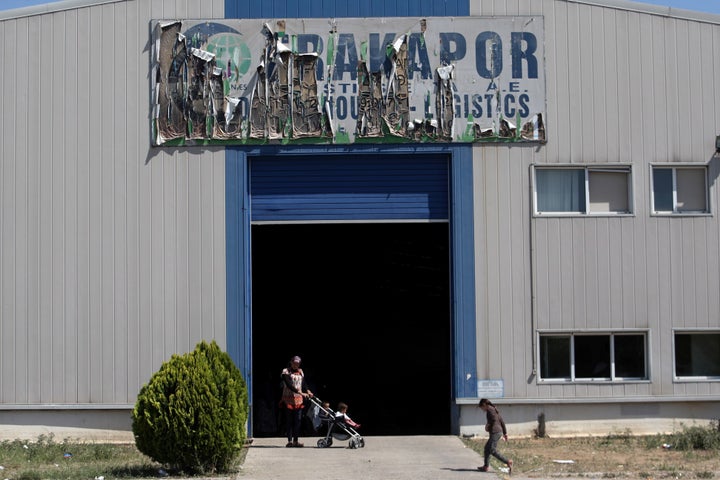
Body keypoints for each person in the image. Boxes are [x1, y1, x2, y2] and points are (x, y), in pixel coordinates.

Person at [280, 355, 313, 447]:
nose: (296, 365)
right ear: (291, 362)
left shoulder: (300, 372)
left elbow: (303, 383)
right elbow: (289, 385)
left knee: (298, 420)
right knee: (289, 420)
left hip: (299, 400)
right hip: (288, 399)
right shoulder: (285, 372)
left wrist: (308, 391)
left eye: (297, 363)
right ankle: (289, 441)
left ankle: (296, 440)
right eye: (294, 363)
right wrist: (301, 393)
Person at [477, 398, 512, 474]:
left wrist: (488, 426)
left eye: (482, 408)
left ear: (484, 405)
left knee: (492, 450)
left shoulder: (490, 410)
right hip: (498, 432)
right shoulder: (494, 409)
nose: (482, 410)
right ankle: (486, 466)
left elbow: (493, 420)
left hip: (495, 432)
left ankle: (508, 461)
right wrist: (505, 433)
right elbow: (501, 421)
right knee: (487, 448)